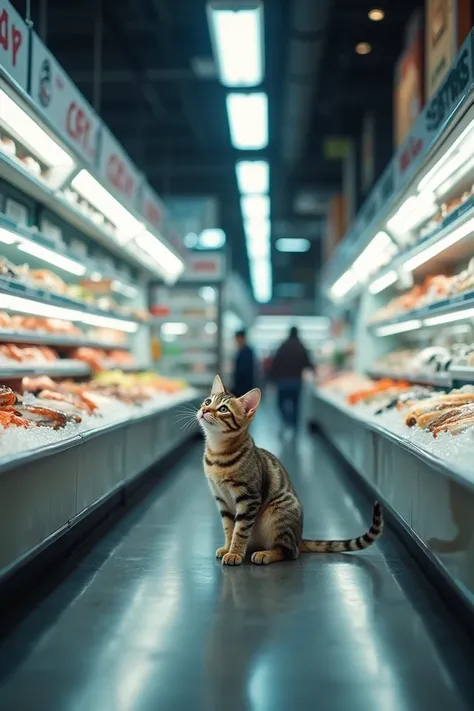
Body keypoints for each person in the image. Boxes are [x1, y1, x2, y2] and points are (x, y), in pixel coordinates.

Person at [270, 326, 312, 432]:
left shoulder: (282, 346)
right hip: (296, 382)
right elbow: (308, 364)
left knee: (280, 403)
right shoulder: (301, 346)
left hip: (282, 382)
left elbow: (275, 363)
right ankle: (294, 424)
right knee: (296, 405)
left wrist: (272, 378)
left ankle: (286, 420)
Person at [233, 329, 256, 397]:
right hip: (243, 387)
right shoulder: (243, 351)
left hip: (244, 388)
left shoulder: (246, 352)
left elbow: (244, 371)